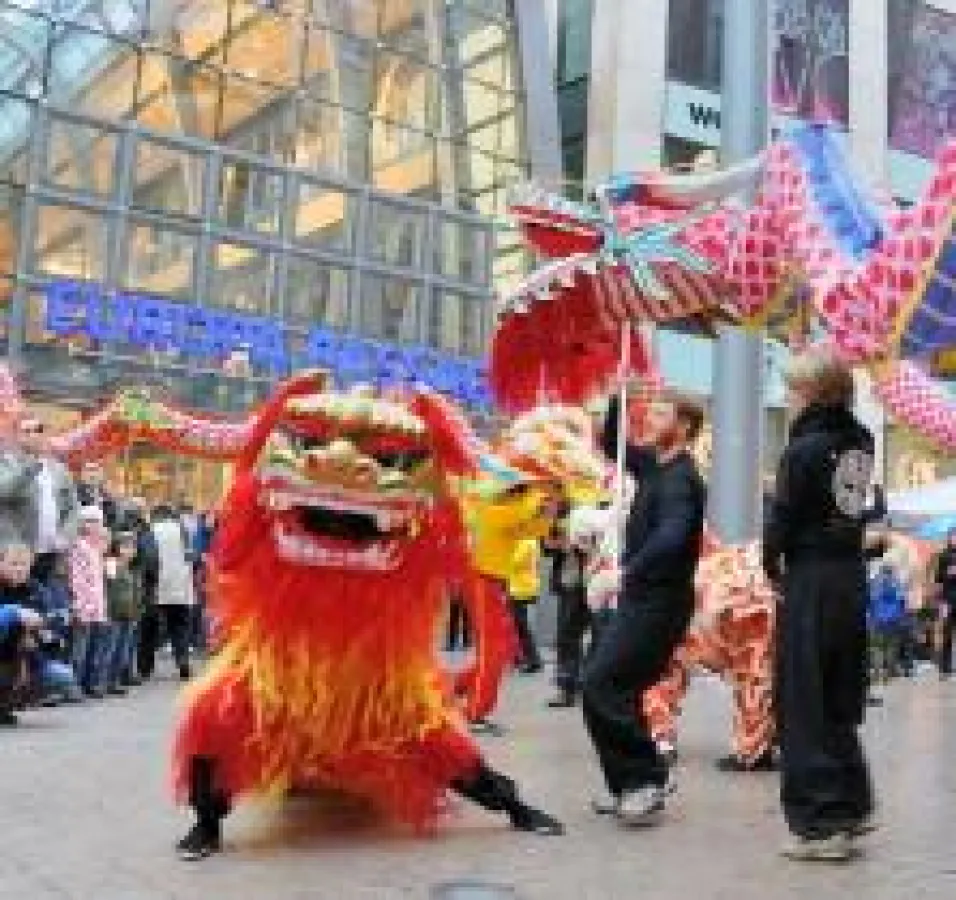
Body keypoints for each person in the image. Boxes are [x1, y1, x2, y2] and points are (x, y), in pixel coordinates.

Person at [763, 350, 878, 863]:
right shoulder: (861, 440)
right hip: (850, 575)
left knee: (804, 698)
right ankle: (851, 802)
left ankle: (822, 822)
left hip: (811, 577)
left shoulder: (804, 448)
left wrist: (769, 566)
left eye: (792, 390)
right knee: (836, 693)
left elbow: (783, 519)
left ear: (813, 393)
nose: (787, 398)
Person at [582, 388, 706, 827]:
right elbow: (612, 441)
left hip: (660, 602)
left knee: (601, 684)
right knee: (613, 687)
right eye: (649, 411)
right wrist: (619, 394)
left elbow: (673, 538)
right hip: (643, 598)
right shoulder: (656, 465)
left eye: (661, 413)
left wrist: (624, 573)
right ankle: (632, 783)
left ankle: (644, 782)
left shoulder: (682, 479)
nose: (650, 419)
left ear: (685, 425)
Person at [0, 540, 79, 723]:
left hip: (25, 657)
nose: (19, 569)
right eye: (13, 563)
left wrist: (45, 632)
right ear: (1, 563)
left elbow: (54, 623)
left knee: (63, 676)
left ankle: (6, 706)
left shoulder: (36, 590)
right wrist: (14, 614)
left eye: (24, 564)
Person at [17, 418, 79, 587]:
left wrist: (65, 537)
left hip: (51, 552)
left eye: (37, 430)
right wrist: (31, 463)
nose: (33, 436)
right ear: (18, 436)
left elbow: (73, 508)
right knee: (17, 605)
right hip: (17, 553)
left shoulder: (59, 470)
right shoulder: (9, 463)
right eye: (27, 431)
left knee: (44, 602)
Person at [545, 497, 591, 708]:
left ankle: (582, 683)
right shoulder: (557, 521)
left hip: (594, 581)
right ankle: (567, 686)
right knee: (567, 635)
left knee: (592, 635)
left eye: (550, 499)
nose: (548, 502)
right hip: (570, 582)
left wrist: (577, 545)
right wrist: (554, 537)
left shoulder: (591, 509)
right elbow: (547, 549)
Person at [139, 504, 195, 681]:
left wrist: (150, 580)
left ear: (156, 516)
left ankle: (145, 667)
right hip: (181, 587)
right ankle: (183, 661)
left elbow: (149, 557)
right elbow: (190, 556)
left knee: (150, 629)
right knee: (180, 626)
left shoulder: (151, 531)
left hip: (158, 586)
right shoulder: (182, 530)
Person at [68, 506, 112, 698]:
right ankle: (74, 686)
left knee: (94, 650)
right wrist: (81, 606)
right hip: (84, 608)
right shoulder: (78, 547)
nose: (93, 525)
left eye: (96, 521)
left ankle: (90, 684)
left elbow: (99, 582)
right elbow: (77, 581)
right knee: (79, 651)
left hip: (98, 609)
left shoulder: (97, 549)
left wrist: (101, 608)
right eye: (89, 521)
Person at [105, 532, 142, 694]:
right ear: (117, 548)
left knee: (123, 650)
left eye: (132, 547)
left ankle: (115, 681)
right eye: (125, 546)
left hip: (129, 615)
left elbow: (134, 595)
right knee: (111, 649)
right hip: (114, 615)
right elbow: (108, 589)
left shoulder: (131, 570)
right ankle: (106, 681)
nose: (130, 551)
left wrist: (136, 613)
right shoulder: (112, 565)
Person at [867, 562, 912, 682]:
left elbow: (869, 601)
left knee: (877, 647)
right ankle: (888, 673)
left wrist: (870, 615)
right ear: (891, 571)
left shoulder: (874, 584)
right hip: (894, 619)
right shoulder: (897, 584)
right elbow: (903, 602)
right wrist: (902, 616)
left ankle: (877, 673)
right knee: (891, 646)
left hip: (877, 619)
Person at [933, 529, 956, 678]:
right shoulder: (943, 555)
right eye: (953, 537)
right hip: (947, 599)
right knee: (946, 632)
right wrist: (948, 573)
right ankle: (945, 668)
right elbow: (938, 578)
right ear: (949, 539)